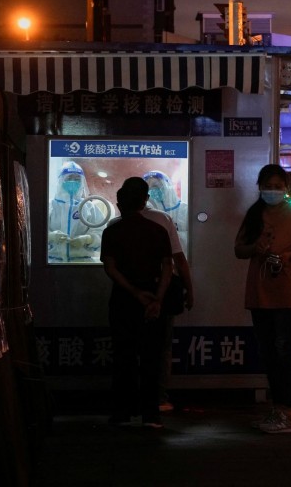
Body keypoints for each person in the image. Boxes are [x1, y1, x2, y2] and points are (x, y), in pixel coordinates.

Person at [235, 164, 291, 434]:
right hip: (259, 293)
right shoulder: (254, 214)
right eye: (268, 185)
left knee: (284, 352)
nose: (272, 190)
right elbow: (238, 249)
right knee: (268, 353)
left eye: (277, 186)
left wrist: (287, 257)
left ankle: (289, 411)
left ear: (286, 188)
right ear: (260, 187)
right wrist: (253, 248)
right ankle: (278, 408)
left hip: (286, 293)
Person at [101, 177, 173, 429]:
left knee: (124, 356)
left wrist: (133, 292)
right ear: (145, 201)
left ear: (120, 202)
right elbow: (167, 268)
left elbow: (110, 268)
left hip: (123, 301)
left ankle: (123, 411)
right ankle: (151, 415)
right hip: (153, 300)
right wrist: (157, 299)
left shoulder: (112, 231)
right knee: (151, 357)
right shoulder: (158, 231)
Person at [136, 187, 195, 414]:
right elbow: (176, 260)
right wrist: (189, 290)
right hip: (162, 291)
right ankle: (158, 398)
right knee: (162, 346)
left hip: (131, 295)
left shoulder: (115, 223)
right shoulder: (162, 219)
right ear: (146, 198)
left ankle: (133, 398)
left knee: (133, 345)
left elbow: (110, 265)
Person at [48, 160, 105, 263]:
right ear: (61, 180)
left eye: (77, 179)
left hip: (82, 264)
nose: (73, 181)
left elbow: (102, 233)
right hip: (53, 263)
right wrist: (51, 236)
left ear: (82, 182)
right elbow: (36, 232)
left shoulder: (89, 207)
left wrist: (88, 239)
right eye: (69, 178)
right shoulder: (49, 206)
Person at [143, 170, 189, 252]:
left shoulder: (184, 210)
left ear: (168, 187)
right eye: (150, 187)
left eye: (157, 186)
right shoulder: (144, 213)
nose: (154, 190)